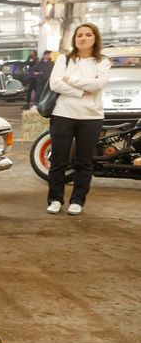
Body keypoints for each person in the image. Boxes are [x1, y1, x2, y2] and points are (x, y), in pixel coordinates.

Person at [45, 23, 111, 216]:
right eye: (79, 35)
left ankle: (77, 201)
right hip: (63, 114)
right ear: (74, 39)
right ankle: (55, 199)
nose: (83, 38)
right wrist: (81, 92)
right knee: (58, 160)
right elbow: (55, 84)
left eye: (88, 35)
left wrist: (71, 80)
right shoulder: (64, 59)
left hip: (91, 117)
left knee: (84, 161)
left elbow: (98, 84)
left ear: (95, 38)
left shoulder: (103, 61)